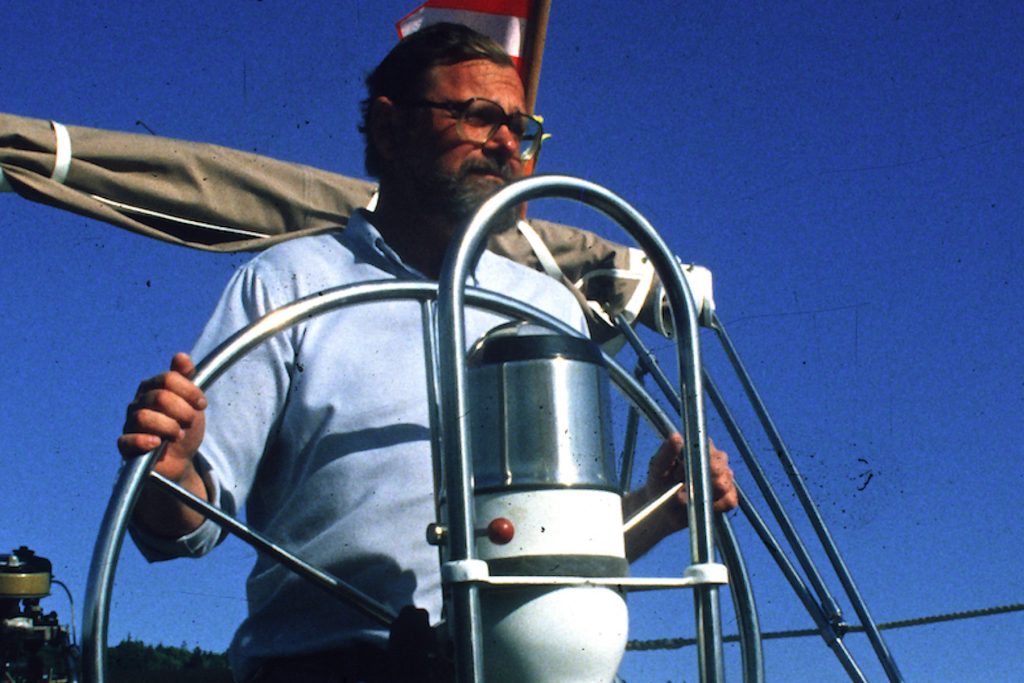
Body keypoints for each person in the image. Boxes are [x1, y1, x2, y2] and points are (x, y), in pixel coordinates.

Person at [118, 23, 737, 683]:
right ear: (389, 130)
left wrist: (660, 504)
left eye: (519, 128)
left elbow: (555, 550)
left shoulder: (549, 306)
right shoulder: (287, 285)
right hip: (337, 664)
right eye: (478, 117)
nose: (506, 144)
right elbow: (187, 521)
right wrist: (172, 465)